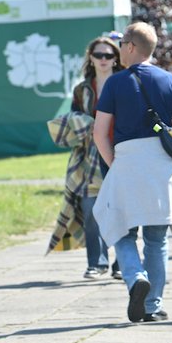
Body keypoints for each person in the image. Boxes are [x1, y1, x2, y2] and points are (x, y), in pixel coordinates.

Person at [93, 22, 172, 323]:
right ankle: (152, 306)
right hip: (162, 165)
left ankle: (135, 276)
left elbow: (99, 132)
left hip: (126, 161)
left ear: (130, 46)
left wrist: (115, 163)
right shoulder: (170, 80)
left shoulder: (115, 83)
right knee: (156, 239)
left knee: (120, 231)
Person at [50, 35, 122, 280]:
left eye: (108, 55)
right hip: (89, 157)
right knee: (90, 211)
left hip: (120, 152)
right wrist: (84, 123)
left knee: (120, 210)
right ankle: (97, 263)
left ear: (116, 59)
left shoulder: (124, 83)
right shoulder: (82, 89)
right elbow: (73, 118)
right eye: (98, 54)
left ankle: (122, 262)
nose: (103, 59)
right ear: (91, 58)